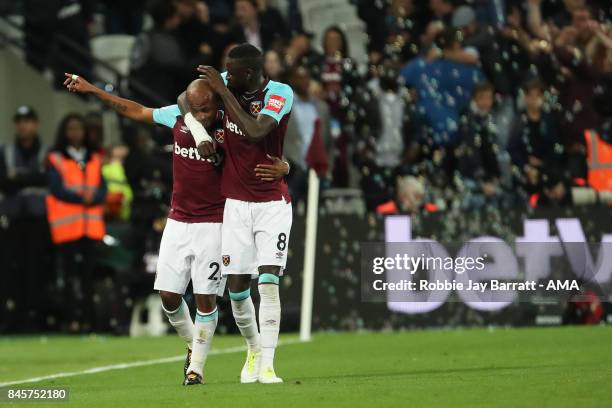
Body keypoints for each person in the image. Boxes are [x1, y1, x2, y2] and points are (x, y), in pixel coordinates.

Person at [63, 72, 289, 384]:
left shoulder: (229, 126)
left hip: (215, 222)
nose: (199, 115)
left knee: (205, 299)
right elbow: (137, 110)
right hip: (178, 220)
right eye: (194, 109)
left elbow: (259, 148)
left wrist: (285, 165)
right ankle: (191, 346)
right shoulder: (181, 118)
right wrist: (92, 90)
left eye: (206, 109)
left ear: (218, 104)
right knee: (168, 296)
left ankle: (196, 369)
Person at [181, 43, 293, 384]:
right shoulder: (227, 84)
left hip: (272, 203)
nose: (225, 75)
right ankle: (254, 349)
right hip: (237, 205)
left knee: (270, 283)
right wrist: (200, 132)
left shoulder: (280, 93)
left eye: (231, 71)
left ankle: (269, 365)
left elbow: (256, 130)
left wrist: (222, 91)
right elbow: (184, 99)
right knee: (237, 289)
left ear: (248, 73)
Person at [46, 113, 107, 333]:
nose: (75, 133)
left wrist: (97, 197)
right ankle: (70, 320)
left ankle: (90, 321)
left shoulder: (94, 156)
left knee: (89, 276)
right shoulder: (56, 157)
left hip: (90, 227)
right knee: (69, 277)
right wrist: (82, 199)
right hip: (67, 227)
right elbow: (56, 188)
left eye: (79, 128)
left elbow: (102, 186)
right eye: (71, 129)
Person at [0, 106, 51, 332]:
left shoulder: (47, 151)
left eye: (28, 120)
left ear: (36, 124)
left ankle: (34, 318)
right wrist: (31, 178)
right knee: (10, 269)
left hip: (39, 219)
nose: (23, 125)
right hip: (12, 217)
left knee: (36, 269)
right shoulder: (6, 151)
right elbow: (4, 182)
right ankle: (11, 318)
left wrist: (18, 177)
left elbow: (46, 178)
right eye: (19, 120)